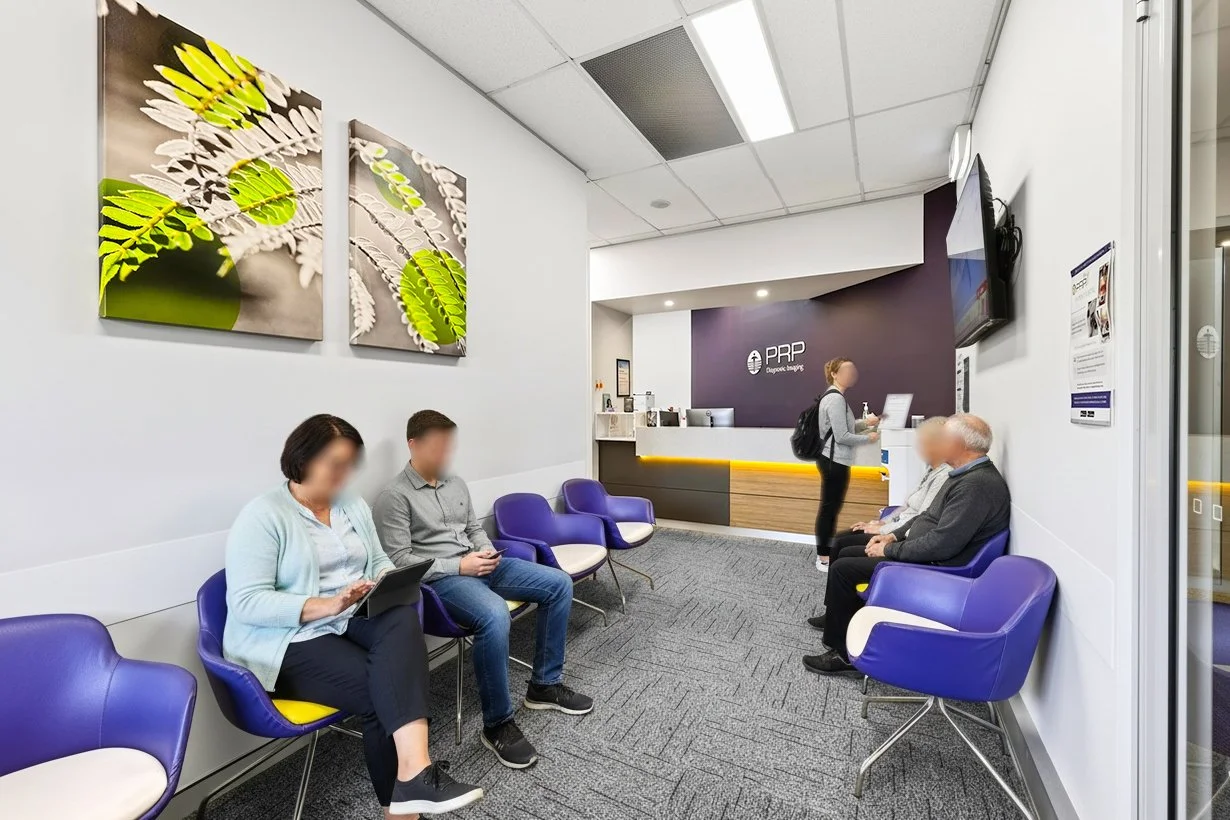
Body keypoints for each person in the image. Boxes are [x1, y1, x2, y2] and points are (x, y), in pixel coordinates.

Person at [224, 414, 484, 818]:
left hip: (349, 617)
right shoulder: (263, 516)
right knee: (382, 689)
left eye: (350, 465)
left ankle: (415, 771)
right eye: (336, 465)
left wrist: (385, 581)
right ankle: (403, 806)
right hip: (287, 639)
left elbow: (379, 559)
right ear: (302, 459)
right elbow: (247, 602)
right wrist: (325, 605)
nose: (345, 475)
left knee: (401, 618)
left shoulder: (351, 505)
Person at [373, 410, 594, 770]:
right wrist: (460, 565)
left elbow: (473, 528)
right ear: (412, 445)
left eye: (449, 447)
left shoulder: (456, 483)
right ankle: (497, 725)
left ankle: (544, 685)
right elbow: (399, 562)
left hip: (482, 565)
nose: (445, 455)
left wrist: (485, 548)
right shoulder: (394, 497)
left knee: (558, 583)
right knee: (494, 614)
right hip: (442, 582)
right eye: (437, 447)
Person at [802, 414, 1011, 675]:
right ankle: (840, 626)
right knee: (846, 555)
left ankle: (844, 656)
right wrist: (893, 536)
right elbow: (926, 516)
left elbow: (942, 545)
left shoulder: (976, 486)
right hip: (922, 550)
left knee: (845, 569)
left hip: (938, 566)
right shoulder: (963, 476)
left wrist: (889, 550)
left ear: (959, 444)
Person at [812, 416, 952, 586]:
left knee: (843, 549)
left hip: (904, 537)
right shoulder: (931, 469)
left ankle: (842, 602)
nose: (920, 448)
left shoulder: (944, 475)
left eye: (924, 442)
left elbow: (921, 518)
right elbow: (906, 507)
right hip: (897, 528)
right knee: (840, 539)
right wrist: (879, 522)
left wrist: (883, 529)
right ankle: (836, 600)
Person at [814, 357, 879, 572]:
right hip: (834, 460)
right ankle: (823, 558)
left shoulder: (838, 398)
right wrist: (867, 439)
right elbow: (842, 436)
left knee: (830, 508)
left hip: (835, 459)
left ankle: (825, 553)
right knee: (828, 509)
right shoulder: (835, 399)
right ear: (833, 373)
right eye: (845, 370)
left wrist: (866, 424)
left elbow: (846, 427)